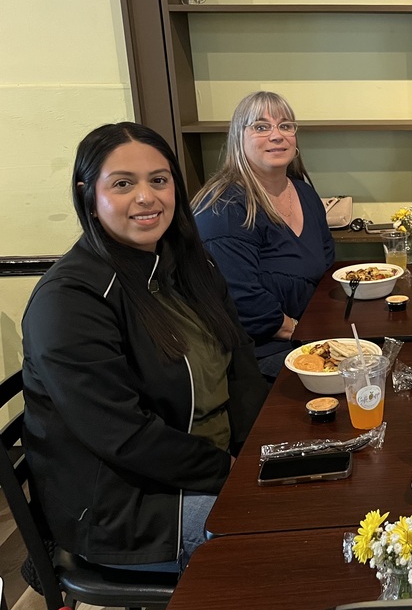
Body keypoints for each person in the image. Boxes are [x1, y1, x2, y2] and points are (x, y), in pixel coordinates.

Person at [21, 123, 268, 573]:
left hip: (210, 464)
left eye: (159, 179)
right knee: (282, 541)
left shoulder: (188, 264)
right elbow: (124, 435)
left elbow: (241, 361)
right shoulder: (68, 301)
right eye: (122, 184)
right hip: (128, 504)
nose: (146, 197)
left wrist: (259, 450)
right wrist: (231, 471)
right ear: (88, 197)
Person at [192, 91, 334, 377]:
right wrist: (305, 334)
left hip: (309, 337)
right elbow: (241, 301)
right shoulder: (225, 207)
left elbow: (327, 264)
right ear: (238, 137)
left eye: (285, 125)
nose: (276, 135)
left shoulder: (304, 193)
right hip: (257, 355)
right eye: (260, 126)